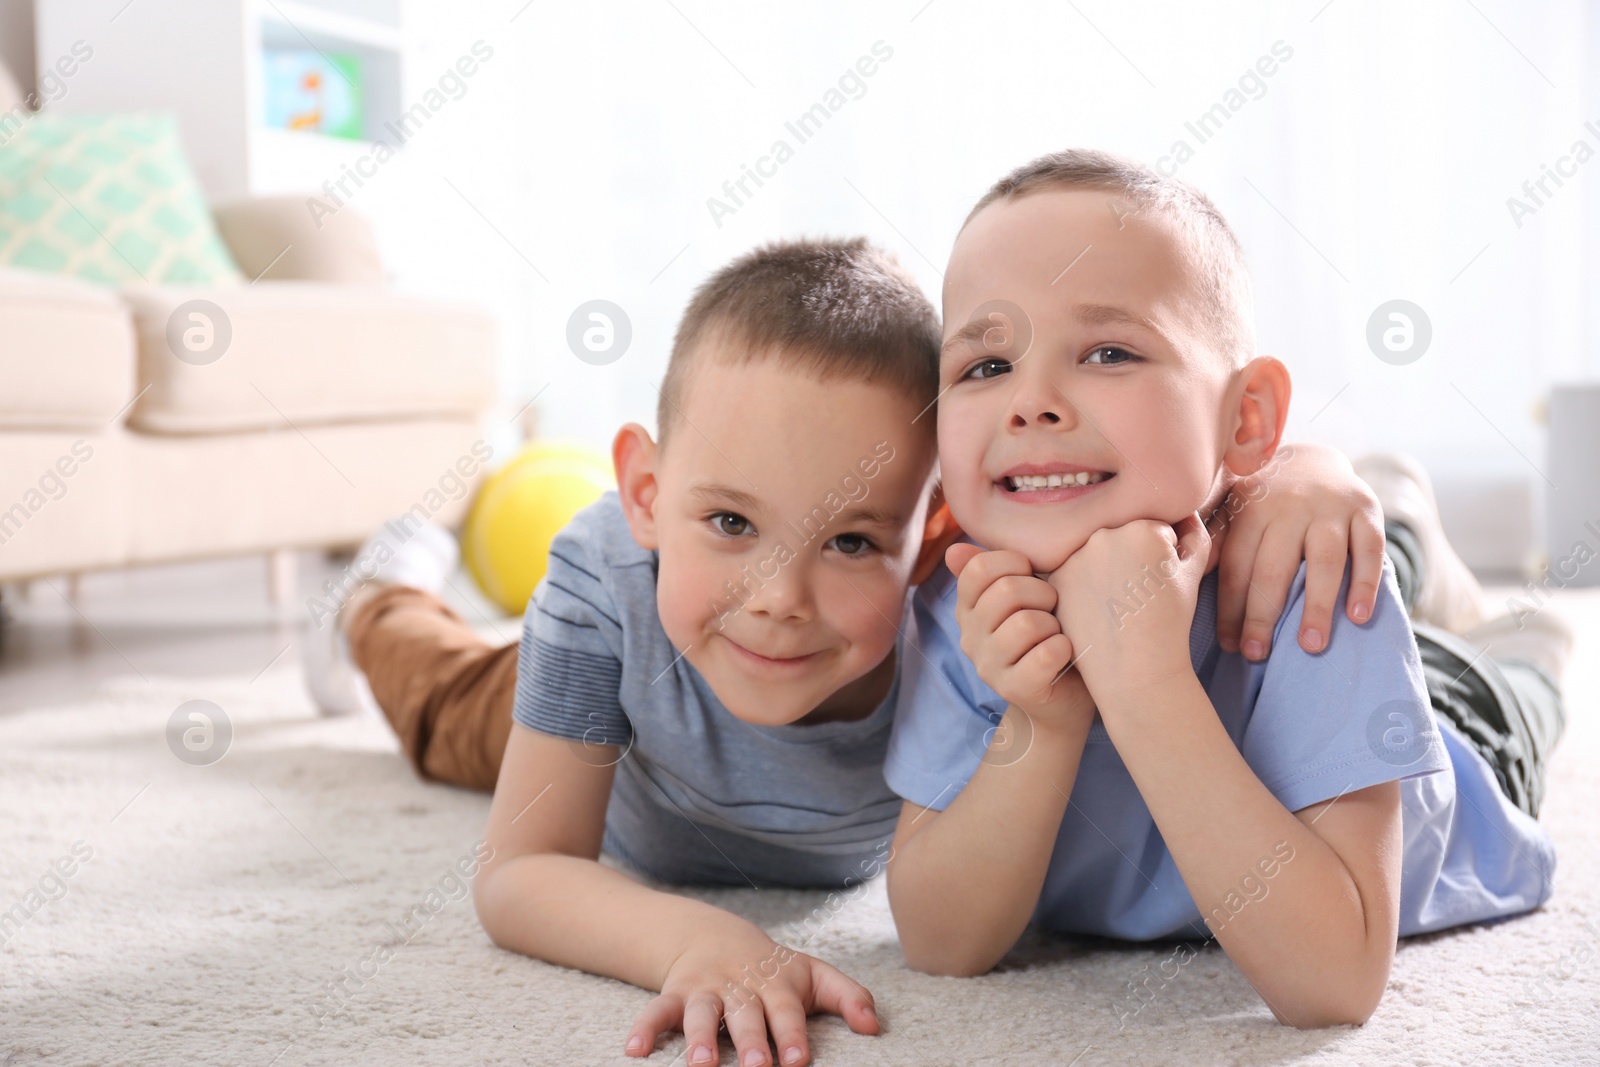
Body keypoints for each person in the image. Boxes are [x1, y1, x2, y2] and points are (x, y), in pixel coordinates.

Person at [304, 236, 1392, 1062]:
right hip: (650, 699)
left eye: (853, 539)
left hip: (703, 625)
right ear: (643, 490)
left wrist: (1307, 471)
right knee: (439, 698)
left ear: (938, 537)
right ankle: (380, 582)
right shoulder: (606, 581)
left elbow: (1143, 485)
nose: (779, 599)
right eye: (729, 521)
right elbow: (521, 872)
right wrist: (703, 942)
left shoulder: (969, 594)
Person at [882, 149, 1571, 1028]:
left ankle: (1496, 611)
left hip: (1459, 731)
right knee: (1346, 525)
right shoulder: (962, 607)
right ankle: (1391, 506)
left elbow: (1333, 982)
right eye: (984, 366)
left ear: (1244, 420)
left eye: (1107, 351)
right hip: (1284, 520)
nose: (1032, 403)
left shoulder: (1303, 589)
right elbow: (942, 945)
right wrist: (1042, 720)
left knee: (1507, 682)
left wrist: (1145, 684)